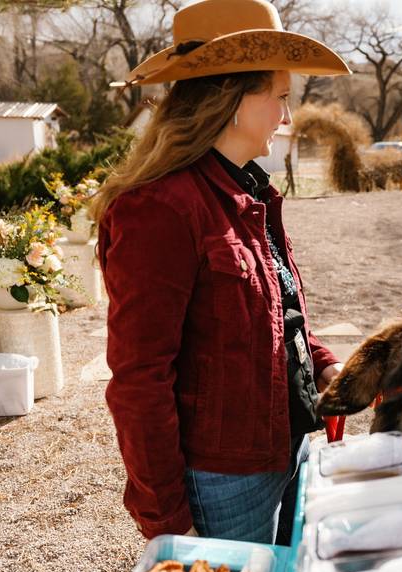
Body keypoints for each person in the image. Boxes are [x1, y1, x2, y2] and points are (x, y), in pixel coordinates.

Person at [90, 0, 350, 544]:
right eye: (280, 97)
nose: (287, 118)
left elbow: (278, 309)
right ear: (233, 98)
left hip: (287, 444)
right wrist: (167, 519)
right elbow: (140, 377)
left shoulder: (249, 188)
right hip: (224, 482)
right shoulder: (160, 207)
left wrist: (321, 364)